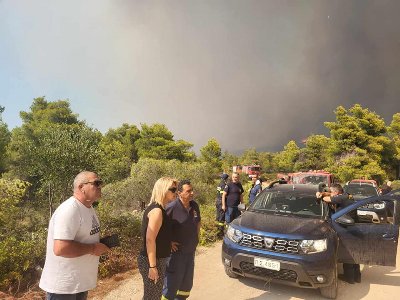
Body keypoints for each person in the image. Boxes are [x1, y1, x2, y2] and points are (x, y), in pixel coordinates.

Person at [39, 171, 110, 300]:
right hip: (64, 288)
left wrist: (100, 244)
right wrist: (94, 248)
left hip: (78, 284)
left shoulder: (88, 208)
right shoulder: (70, 210)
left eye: (100, 183)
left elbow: (84, 237)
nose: (100, 187)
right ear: (81, 187)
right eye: (96, 183)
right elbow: (61, 248)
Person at [137, 177, 178, 300]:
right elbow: (150, 239)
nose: (176, 192)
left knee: (152, 294)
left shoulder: (159, 208)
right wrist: (153, 267)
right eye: (173, 189)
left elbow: (158, 234)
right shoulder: (157, 211)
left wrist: (167, 242)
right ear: (163, 190)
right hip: (153, 260)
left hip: (156, 259)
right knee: (152, 296)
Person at [162, 180, 201, 300]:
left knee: (186, 286)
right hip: (176, 255)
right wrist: (167, 241)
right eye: (188, 191)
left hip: (190, 253)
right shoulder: (171, 208)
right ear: (179, 193)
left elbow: (198, 222)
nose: (192, 193)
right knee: (171, 286)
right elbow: (159, 228)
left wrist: (197, 238)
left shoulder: (194, 205)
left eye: (192, 190)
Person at [316, 183, 361, 284]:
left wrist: (320, 195)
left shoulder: (341, 198)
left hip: (346, 227)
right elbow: (331, 195)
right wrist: (326, 193)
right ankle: (357, 277)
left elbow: (326, 199)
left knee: (347, 252)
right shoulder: (348, 195)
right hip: (354, 226)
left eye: (332, 192)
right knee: (355, 252)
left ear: (336, 192)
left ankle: (349, 278)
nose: (331, 194)